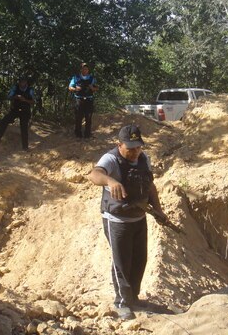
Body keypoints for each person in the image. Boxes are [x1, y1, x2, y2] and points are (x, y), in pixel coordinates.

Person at [88, 124, 167, 320]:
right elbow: (94, 174)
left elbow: (150, 186)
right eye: (130, 148)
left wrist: (158, 209)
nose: (135, 152)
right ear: (119, 144)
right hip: (117, 220)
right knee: (122, 262)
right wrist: (110, 181)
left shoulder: (144, 158)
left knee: (140, 260)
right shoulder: (111, 158)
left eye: (138, 147)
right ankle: (121, 302)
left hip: (139, 217)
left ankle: (134, 298)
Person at [0, 76, 35, 151]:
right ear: (19, 82)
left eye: (24, 81)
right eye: (21, 81)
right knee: (4, 120)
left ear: (26, 82)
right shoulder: (15, 87)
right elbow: (8, 96)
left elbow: (33, 101)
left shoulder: (30, 89)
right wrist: (16, 96)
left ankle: (25, 147)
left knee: (24, 127)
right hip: (15, 109)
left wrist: (25, 100)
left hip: (25, 110)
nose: (22, 83)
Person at [69, 63, 98, 139]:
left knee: (88, 118)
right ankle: (78, 134)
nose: (85, 70)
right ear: (81, 69)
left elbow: (96, 89)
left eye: (86, 69)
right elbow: (70, 87)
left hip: (89, 99)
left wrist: (92, 88)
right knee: (78, 117)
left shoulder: (92, 78)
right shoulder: (75, 77)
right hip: (79, 100)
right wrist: (75, 89)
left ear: (88, 70)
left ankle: (87, 135)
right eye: (83, 68)